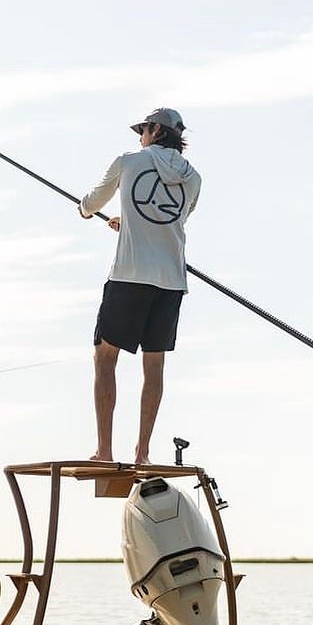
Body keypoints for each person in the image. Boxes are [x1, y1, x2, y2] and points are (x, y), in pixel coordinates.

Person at [78, 108, 201, 465]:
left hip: (129, 276)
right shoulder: (194, 178)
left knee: (105, 357)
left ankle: (104, 452)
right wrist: (127, 222)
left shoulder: (128, 161)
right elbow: (173, 220)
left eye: (143, 130)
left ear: (155, 131)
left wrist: (86, 211)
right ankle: (142, 454)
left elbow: (93, 202)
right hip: (171, 282)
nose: (139, 137)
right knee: (154, 366)